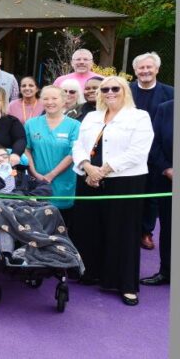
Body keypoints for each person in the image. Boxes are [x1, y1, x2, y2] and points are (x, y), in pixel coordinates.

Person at [71, 76, 153, 306]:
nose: (109, 92)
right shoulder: (91, 116)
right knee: (90, 226)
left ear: (125, 90)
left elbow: (139, 150)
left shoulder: (139, 117)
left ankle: (125, 284)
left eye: (115, 88)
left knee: (123, 231)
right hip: (88, 179)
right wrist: (87, 167)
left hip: (124, 181)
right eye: (104, 89)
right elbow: (78, 145)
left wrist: (104, 170)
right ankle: (91, 273)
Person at [129, 52, 174, 250]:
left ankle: (146, 231)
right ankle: (128, 231)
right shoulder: (125, 90)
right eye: (141, 68)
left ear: (157, 69)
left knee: (152, 196)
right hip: (129, 153)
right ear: (135, 70)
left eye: (149, 67)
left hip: (157, 155)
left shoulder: (171, 93)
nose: (145, 71)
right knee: (130, 194)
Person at [23, 86, 80, 219]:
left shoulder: (75, 125)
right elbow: (26, 149)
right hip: (37, 182)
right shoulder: (31, 124)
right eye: (46, 98)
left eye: (54, 98)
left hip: (63, 183)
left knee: (63, 224)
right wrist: (35, 173)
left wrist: (51, 175)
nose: (50, 102)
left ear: (63, 100)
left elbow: (74, 153)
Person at [142, 99, 173, 286]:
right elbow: (153, 145)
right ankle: (167, 271)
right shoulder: (166, 108)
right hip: (168, 180)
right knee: (169, 228)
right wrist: (168, 169)